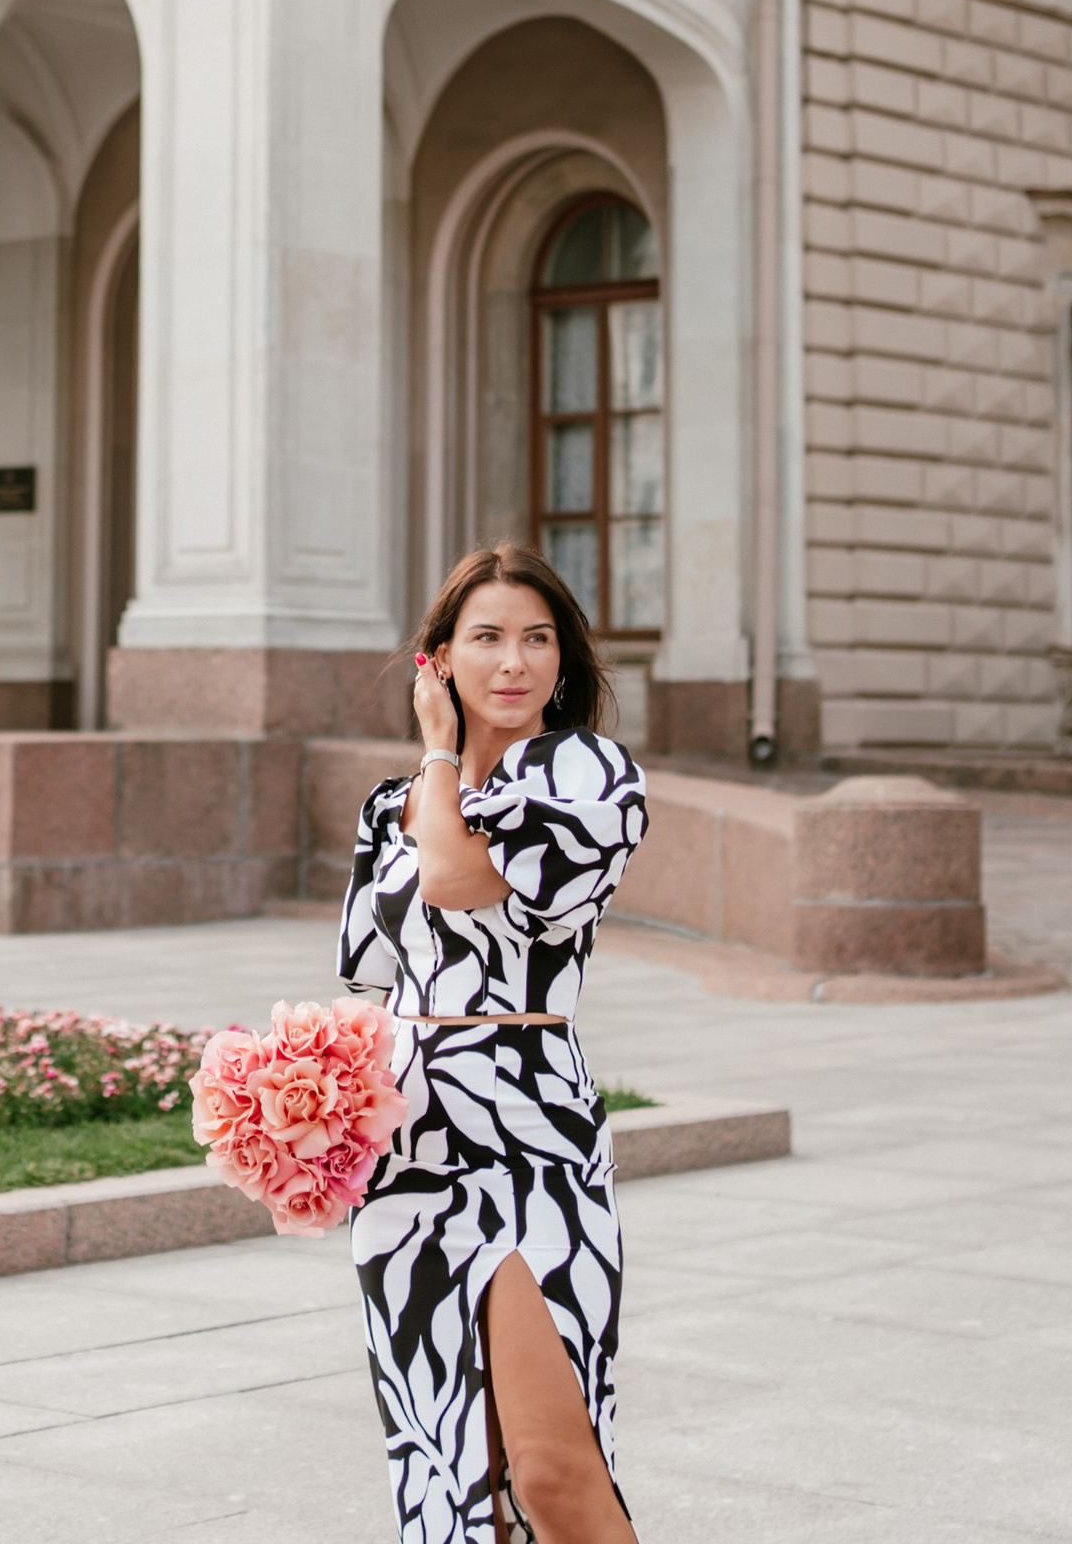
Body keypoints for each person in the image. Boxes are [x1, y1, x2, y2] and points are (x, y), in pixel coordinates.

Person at [337, 542, 651, 1544]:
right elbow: (370, 981)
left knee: (554, 1471)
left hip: (528, 1130)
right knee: (447, 1468)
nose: (514, 661)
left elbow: (457, 878)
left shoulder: (586, 772)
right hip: (406, 1147)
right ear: (440, 657)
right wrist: (305, 1121)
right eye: (487, 638)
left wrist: (439, 753)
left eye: (536, 637)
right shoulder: (385, 809)